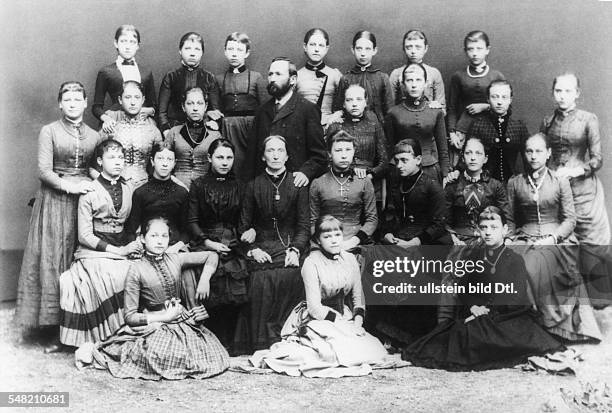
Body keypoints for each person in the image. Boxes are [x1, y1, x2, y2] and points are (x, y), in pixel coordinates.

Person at [402, 207, 564, 371]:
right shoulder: (475, 255)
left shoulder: (514, 259)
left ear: (505, 230)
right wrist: (473, 307)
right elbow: (464, 287)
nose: (488, 232)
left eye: (494, 228)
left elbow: (514, 298)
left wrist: (487, 311)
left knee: (477, 334)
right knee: (456, 334)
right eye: (484, 227)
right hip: (478, 311)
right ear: (478, 230)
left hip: (506, 316)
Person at [15, 81, 102, 352]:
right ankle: (53, 329)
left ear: (86, 103)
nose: (73, 103)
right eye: (68, 99)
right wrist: (71, 186)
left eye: (78, 99)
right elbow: (44, 171)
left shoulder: (94, 135)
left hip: (83, 203)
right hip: (54, 201)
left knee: (79, 261)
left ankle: (76, 328)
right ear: (60, 104)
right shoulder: (49, 131)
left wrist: (102, 185)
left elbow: (95, 168)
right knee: (54, 260)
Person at [86, 217, 229, 380]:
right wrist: (164, 317)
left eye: (164, 236)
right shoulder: (136, 269)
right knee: (161, 355)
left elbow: (211, 255)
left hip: (182, 321)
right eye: (154, 236)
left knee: (210, 355)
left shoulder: (175, 258)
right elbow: (130, 316)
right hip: (157, 323)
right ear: (142, 239)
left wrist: (204, 280)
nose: (160, 241)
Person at [249, 215, 388, 378]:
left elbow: (358, 298)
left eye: (337, 235)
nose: (334, 240)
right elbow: (315, 307)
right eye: (327, 236)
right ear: (319, 241)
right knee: (329, 353)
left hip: (344, 315)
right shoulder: (311, 262)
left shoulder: (350, 259)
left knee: (376, 350)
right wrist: (342, 323)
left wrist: (357, 323)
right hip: (318, 318)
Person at [507, 133, 601, 342]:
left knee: (545, 263)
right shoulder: (515, 183)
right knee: (521, 263)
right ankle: (530, 328)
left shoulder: (559, 181)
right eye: (529, 151)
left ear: (548, 153)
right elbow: (510, 219)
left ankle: (555, 328)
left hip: (556, 236)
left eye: (539, 151)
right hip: (526, 236)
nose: (533, 156)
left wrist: (553, 238)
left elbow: (570, 219)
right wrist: (510, 239)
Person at [59, 140, 143, 348]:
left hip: (123, 247)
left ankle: (129, 332)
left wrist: (135, 244)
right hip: (93, 251)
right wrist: (118, 251)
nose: (117, 162)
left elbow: (134, 225)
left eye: (121, 158)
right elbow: (85, 236)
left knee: (138, 272)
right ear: (99, 161)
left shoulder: (129, 188)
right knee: (109, 276)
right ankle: (108, 336)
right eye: (111, 157)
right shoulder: (90, 191)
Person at [540, 73, 611, 302]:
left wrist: (574, 171)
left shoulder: (588, 119)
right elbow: (540, 152)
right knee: (561, 237)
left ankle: (599, 298)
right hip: (557, 188)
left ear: (577, 94)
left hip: (583, 189)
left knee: (590, 240)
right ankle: (568, 299)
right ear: (553, 93)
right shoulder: (547, 121)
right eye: (558, 91)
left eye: (568, 91)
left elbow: (597, 159)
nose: (562, 96)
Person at [237, 135, 310, 352]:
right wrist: (253, 250)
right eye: (270, 151)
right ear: (263, 156)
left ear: (287, 156)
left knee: (294, 274)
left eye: (280, 151)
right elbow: (243, 226)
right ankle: (261, 341)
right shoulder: (253, 186)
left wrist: (296, 249)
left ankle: (289, 336)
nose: (275, 155)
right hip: (263, 246)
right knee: (261, 279)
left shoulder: (297, 185)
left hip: (290, 245)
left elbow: (304, 225)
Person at [182, 139, 248, 352]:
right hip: (205, 241)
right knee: (215, 275)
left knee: (235, 276)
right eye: (220, 157)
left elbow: (242, 221)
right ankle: (209, 340)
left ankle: (230, 342)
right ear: (210, 158)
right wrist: (209, 243)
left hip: (232, 242)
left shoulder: (239, 186)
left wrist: (235, 240)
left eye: (229, 158)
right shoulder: (199, 185)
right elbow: (191, 222)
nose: (225, 162)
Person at [245, 57, 327, 185]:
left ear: (292, 80)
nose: (272, 79)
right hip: (265, 187)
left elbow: (320, 156)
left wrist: (305, 173)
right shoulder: (262, 111)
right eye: (270, 74)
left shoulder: (308, 110)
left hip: (295, 186)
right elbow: (251, 157)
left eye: (278, 74)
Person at [310, 131, 378, 251]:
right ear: (329, 154)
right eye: (338, 150)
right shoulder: (318, 183)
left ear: (353, 152)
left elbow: (372, 219)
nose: (343, 155)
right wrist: (324, 242)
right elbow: (312, 220)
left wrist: (354, 241)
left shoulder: (364, 181)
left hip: (356, 240)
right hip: (325, 240)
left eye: (348, 150)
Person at [447, 31, 505, 167]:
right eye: (470, 49)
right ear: (465, 51)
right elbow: (452, 108)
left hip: (491, 127)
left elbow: (507, 106)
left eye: (479, 49)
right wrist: (452, 132)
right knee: (464, 165)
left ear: (487, 50)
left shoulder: (496, 76)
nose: (474, 53)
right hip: (465, 128)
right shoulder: (458, 76)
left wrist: (485, 106)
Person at [384, 63, 450, 182]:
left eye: (418, 80)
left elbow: (443, 149)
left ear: (426, 83)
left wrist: (445, 175)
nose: (414, 85)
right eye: (409, 80)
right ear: (403, 84)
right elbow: (389, 149)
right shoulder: (393, 113)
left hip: (430, 170)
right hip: (402, 171)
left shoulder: (436, 112)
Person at [326, 85, 388, 207]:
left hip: (369, 181)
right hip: (340, 182)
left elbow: (384, 161)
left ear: (366, 102)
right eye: (349, 100)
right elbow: (327, 159)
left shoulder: (373, 125)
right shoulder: (335, 126)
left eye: (359, 99)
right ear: (343, 104)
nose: (354, 104)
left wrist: (370, 174)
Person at [217, 32, 268, 175]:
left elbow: (265, 108)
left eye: (239, 50)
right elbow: (216, 108)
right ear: (225, 51)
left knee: (252, 166)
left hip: (252, 129)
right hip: (229, 128)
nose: (234, 54)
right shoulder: (219, 79)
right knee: (233, 166)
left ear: (247, 53)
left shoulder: (256, 77)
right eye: (231, 49)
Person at [458, 80, 529, 183]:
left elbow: (529, 155)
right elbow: (466, 154)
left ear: (510, 99)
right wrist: (456, 171)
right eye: (495, 97)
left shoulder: (519, 126)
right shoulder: (478, 125)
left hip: (512, 183)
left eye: (504, 97)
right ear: (488, 99)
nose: (499, 102)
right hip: (485, 184)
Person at [445, 137, 511, 245]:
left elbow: (507, 217)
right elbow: (444, 220)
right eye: (468, 153)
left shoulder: (495, 186)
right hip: (460, 240)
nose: (473, 158)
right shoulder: (453, 186)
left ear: (485, 158)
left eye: (478, 153)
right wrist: (452, 238)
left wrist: (505, 238)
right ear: (462, 158)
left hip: (488, 239)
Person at [99, 81, 163, 189]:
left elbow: (161, 160)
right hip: (115, 187)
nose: (132, 102)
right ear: (120, 100)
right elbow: (94, 163)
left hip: (145, 187)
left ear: (143, 100)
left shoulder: (152, 130)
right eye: (127, 97)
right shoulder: (111, 127)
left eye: (137, 97)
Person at [125, 143, 189, 248]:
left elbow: (186, 231)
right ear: (152, 161)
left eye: (169, 159)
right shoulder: (140, 192)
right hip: (147, 247)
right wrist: (136, 246)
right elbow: (130, 230)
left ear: (174, 163)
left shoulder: (182, 193)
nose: (165, 164)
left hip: (174, 247)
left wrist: (176, 247)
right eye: (160, 158)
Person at [158, 32, 222, 135]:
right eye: (188, 49)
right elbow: (161, 112)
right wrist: (166, 130)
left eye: (197, 49)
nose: (192, 53)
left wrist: (215, 122)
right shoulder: (171, 77)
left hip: (203, 130)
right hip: (176, 129)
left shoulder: (209, 78)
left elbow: (216, 110)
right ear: (180, 51)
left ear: (202, 52)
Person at [93, 25, 156, 124]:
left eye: (132, 42)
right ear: (116, 43)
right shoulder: (106, 72)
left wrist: (150, 110)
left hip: (141, 121)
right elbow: (96, 107)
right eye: (123, 41)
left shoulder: (146, 72)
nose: (128, 46)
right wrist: (106, 119)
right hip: (116, 120)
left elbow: (154, 104)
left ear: (138, 46)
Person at [164, 87, 223, 188]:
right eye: (190, 103)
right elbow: (163, 160)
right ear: (183, 106)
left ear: (205, 106)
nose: (195, 108)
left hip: (206, 189)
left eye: (199, 103)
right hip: (177, 188)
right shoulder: (174, 132)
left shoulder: (215, 135)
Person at [334, 31, 394, 124]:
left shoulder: (382, 78)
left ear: (374, 50)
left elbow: (390, 111)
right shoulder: (346, 78)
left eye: (367, 49)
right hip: (351, 127)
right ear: (352, 49)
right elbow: (338, 109)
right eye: (359, 49)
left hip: (378, 128)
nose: (363, 53)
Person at [296, 28, 343, 128]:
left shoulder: (335, 75)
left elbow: (344, 104)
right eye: (312, 44)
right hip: (302, 126)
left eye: (321, 45)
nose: (316, 49)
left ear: (326, 49)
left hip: (328, 126)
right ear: (305, 47)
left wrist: (334, 117)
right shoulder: (297, 76)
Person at [389, 30, 445, 110]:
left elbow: (442, 108)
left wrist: (437, 106)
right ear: (404, 49)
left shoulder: (434, 73)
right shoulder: (396, 74)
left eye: (418, 47)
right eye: (409, 47)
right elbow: (390, 107)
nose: (413, 51)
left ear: (425, 48)